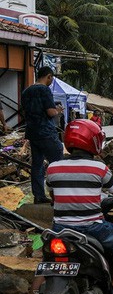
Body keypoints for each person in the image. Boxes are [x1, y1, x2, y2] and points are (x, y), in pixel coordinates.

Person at [18, 119, 113, 294]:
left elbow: (54, 198)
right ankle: (112, 288)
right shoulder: (99, 168)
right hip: (91, 230)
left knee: (45, 267)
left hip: (59, 231)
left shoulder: (53, 167)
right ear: (93, 142)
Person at [20, 66, 64, 204]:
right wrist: (58, 110)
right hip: (46, 131)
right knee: (58, 164)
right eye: (51, 78)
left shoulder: (26, 91)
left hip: (33, 132)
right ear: (49, 76)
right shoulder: (44, 90)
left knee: (37, 165)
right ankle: (61, 196)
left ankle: (38, 196)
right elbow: (51, 112)